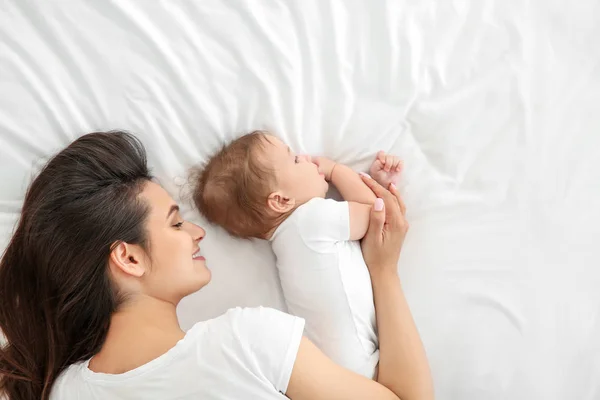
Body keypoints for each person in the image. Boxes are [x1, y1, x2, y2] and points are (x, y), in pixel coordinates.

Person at [0, 131, 434, 400]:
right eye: (175, 223)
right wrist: (384, 271)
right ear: (129, 258)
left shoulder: (68, 392)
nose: (197, 232)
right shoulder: (249, 341)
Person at [192, 131, 403, 378]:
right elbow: (378, 217)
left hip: (344, 371)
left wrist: (374, 181)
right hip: (363, 366)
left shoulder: (287, 243)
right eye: (293, 159)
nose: (305, 158)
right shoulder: (311, 219)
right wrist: (336, 171)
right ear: (281, 200)